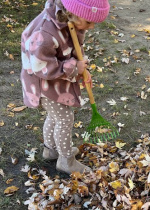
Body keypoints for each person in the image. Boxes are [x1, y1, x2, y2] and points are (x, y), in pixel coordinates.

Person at [20, 0, 110, 174]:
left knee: (55, 116)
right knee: (64, 118)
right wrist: (74, 68)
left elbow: (74, 46)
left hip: (53, 80)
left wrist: (82, 70)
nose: (91, 27)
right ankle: (65, 160)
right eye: (89, 22)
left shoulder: (69, 21)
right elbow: (41, 66)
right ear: (73, 13)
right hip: (43, 83)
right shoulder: (45, 33)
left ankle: (51, 150)